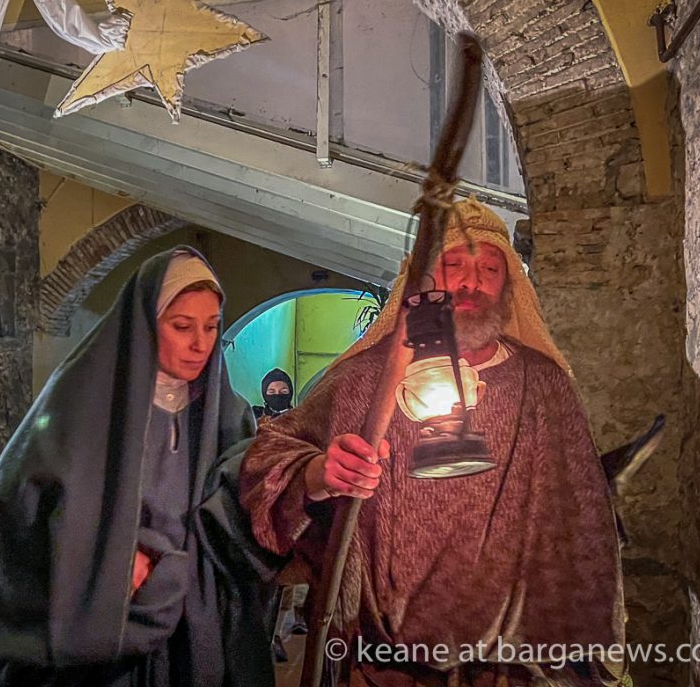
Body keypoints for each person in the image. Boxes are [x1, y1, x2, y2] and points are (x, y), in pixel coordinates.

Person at [240, 199, 626, 687]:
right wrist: (319, 474)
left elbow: (585, 524)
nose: (471, 282)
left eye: (489, 268)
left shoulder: (542, 386)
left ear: (508, 285)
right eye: (454, 265)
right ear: (423, 284)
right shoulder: (366, 381)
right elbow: (271, 453)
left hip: (508, 667)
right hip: (381, 661)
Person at [0, 247, 282, 687]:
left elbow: (241, 505)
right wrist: (103, 558)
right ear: (144, 326)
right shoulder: (82, 403)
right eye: (182, 327)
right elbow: (10, 511)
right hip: (101, 627)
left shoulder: (226, 414)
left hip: (190, 628)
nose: (200, 344)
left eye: (211, 327)